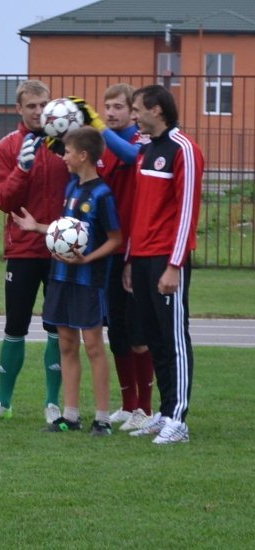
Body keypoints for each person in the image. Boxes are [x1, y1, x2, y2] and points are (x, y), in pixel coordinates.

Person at [12, 127, 122, 435]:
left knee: (94, 346)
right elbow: (66, 232)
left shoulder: (103, 194)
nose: (64, 157)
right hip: (60, 276)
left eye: (69, 152)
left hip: (88, 280)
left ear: (83, 155)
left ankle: (102, 418)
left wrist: (88, 259)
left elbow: (115, 239)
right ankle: (71, 416)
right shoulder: (72, 187)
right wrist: (37, 227)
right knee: (66, 343)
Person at [0, 80, 69, 424]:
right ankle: (3, 403)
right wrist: (22, 169)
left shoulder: (67, 142)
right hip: (23, 251)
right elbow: (2, 199)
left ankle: (52, 403)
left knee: (57, 327)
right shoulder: (7, 147)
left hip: (62, 250)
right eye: (31, 106)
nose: (38, 111)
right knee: (15, 326)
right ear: (19, 108)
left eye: (43, 105)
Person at [70, 87, 156, 431]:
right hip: (106, 250)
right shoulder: (102, 145)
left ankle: (145, 409)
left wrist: (99, 128)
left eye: (118, 106)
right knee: (117, 330)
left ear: (133, 111)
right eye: (106, 106)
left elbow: (133, 157)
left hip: (133, 249)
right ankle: (128, 404)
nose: (110, 112)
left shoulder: (138, 140)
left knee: (138, 332)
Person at [122, 84, 203, 444]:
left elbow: (187, 212)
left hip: (166, 260)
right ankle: (166, 412)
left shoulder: (183, 149)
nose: (134, 116)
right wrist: (129, 259)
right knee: (154, 337)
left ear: (156, 110)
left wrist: (175, 264)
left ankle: (179, 420)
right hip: (141, 258)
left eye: (137, 109)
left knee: (174, 338)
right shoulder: (146, 150)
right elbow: (138, 210)